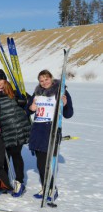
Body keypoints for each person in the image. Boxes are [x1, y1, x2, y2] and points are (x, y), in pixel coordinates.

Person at [28, 69, 74, 200]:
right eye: (41, 81)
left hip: (51, 131)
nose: (44, 83)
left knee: (45, 164)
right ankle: (45, 187)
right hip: (37, 132)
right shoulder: (37, 93)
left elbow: (69, 114)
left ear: (51, 78)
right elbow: (28, 110)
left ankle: (51, 188)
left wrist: (65, 104)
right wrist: (31, 108)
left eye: (46, 79)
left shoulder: (60, 91)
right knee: (40, 164)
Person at [0, 68, 31, 197]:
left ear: (5, 79)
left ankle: (19, 181)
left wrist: (25, 103)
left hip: (18, 130)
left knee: (16, 154)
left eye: (0, 79)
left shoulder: (15, 93)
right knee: (4, 157)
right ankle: (5, 181)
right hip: (4, 131)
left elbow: (31, 106)